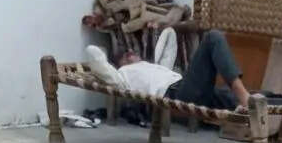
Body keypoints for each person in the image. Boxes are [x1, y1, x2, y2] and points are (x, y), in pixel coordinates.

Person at [86, 28, 250, 110]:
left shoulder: (152, 66)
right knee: (213, 37)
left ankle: (255, 102)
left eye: (131, 53)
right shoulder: (122, 76)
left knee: (259, 98)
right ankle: (242, 94)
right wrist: (104, 55)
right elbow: (95, 57)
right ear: (119, 65)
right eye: (125, 56)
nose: (130, 54)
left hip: (189, 87)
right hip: (179, 93)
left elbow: (169, 35)